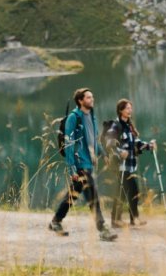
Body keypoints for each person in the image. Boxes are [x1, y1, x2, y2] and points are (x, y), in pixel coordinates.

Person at [49, 87, 118, 242]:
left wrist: (102, 153)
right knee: (92, 196)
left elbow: (93, 139)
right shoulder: (74, 118)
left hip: (89, 163)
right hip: (80, 164)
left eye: (92, 97)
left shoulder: (91, 117)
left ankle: (56, 221)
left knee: (73, 194)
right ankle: (103, 229)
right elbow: (68, 144)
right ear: (80, 100)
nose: (91, 99)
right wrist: (72, 168)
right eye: (88, 97)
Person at [109, 98, 154, 228]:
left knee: (123, 193)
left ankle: (119, 220)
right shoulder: (116, 126)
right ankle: (129, 219)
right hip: (121, 166)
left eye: (130, 108)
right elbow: (110, 143)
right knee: (131, 192)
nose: (130, 110)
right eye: (127, 108)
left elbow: (136, 143)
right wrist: (119, 151)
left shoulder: (129, 126)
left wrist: (148, 146)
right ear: (121, 110)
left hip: (130, 166)